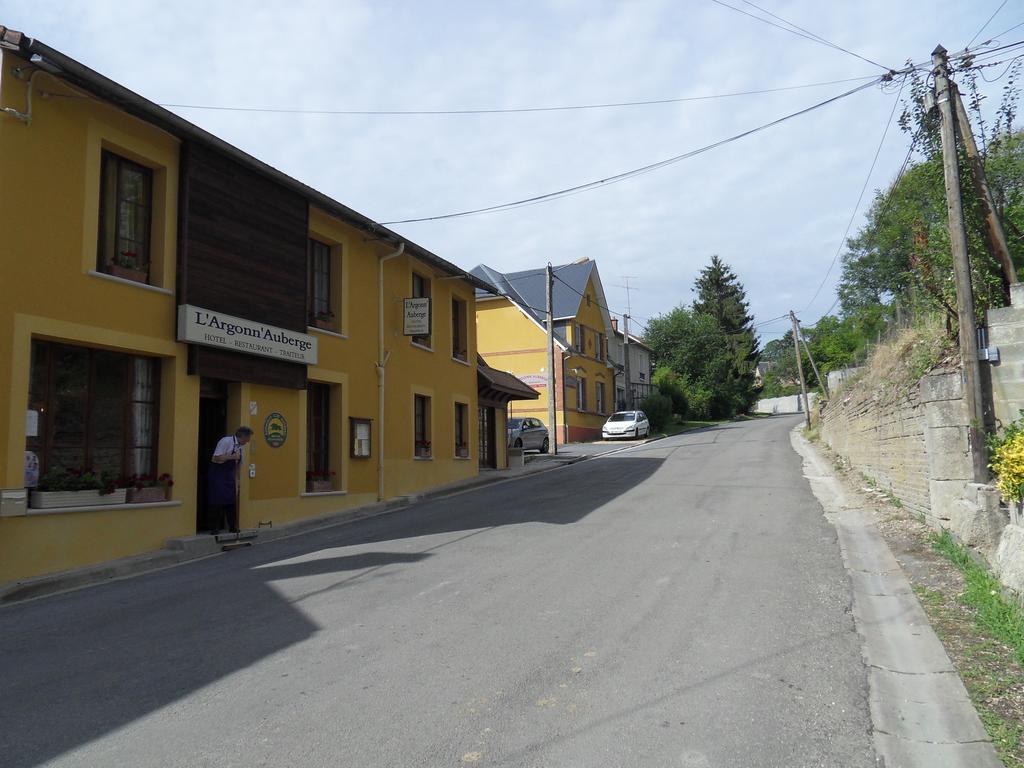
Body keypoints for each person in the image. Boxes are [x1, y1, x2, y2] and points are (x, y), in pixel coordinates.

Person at [206, 426, 253, 534]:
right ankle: (214, 528)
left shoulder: (241, 448)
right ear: (242, 436)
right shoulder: (226, 441)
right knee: (216, 501)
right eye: (247, 439)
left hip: (229, 477)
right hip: (218, 476)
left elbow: (238, 466)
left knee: (231, 502)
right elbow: (215, 458)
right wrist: (231, 457)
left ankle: (233, 527)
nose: (248, 441)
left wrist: (237, 481)